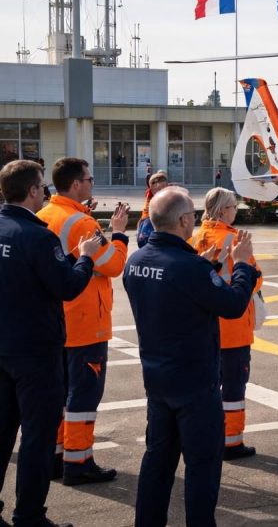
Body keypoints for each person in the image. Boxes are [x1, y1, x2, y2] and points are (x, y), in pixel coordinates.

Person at [124, 186, 259, 526]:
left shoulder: (136, 262)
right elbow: (231, 305)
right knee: (202, 466)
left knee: (158, 461)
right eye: (191, 217)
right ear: (184, 220)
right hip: (194, 384)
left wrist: (203, 266)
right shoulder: (188, 268)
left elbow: (171, 290)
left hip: (157, 378)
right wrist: (241, 266)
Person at [0, 159, 102, 527]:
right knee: (38, 438)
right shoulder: (37, 236)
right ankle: (29, 516)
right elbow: (67, 286)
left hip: (4, 345)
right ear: (31, 191)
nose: (45, 191)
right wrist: (86, 258)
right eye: (41, 186)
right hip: (36, 352)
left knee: (3, 433)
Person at [37, 158, 129, 486]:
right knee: (84, 396)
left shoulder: (44, 215)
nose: (91, 184)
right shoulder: (81, 223)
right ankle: (79, 460)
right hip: (85, 321)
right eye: (88, 180)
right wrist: (118, 234)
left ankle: (58, 455)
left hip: (55, 320)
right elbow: (113, 265)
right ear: (76, 184)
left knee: (60, 395)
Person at [189, 187, 263, 461]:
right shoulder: (233, 239)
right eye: (233, 206)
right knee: (233, 387)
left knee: (208, 386)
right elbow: (255, 278)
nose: (236, 210)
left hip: (207, 325)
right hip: (232, 327)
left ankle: (208, 435)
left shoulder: (199, 236)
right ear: (223, 210)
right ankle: (231, 441)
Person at [137, 170, 170, 248]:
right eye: (157, 190)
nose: (160, 192)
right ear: (152, 190)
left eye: (163, 189)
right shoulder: (151, 201)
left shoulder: (170, 195)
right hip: (148, 220)